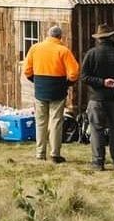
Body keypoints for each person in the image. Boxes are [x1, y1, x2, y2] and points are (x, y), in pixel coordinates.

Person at [80, 24, 114, 170]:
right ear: (111, 37)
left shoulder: (91, 54)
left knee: (96, 130)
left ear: (98, 39)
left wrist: (101, 82)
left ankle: (98, 162)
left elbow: (84, 77)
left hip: (97, 98)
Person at [23, 26, 80, 163]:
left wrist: (36, 81)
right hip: (58, 90)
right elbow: (74, 73)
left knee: (40, 122)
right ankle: (55, 154)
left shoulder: (35, 48)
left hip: (40, 89)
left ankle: (40, 153)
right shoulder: (63, 51)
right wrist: (67, 84)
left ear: (47, 35)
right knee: (55, 122)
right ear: (60, 37)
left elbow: (27, 71)